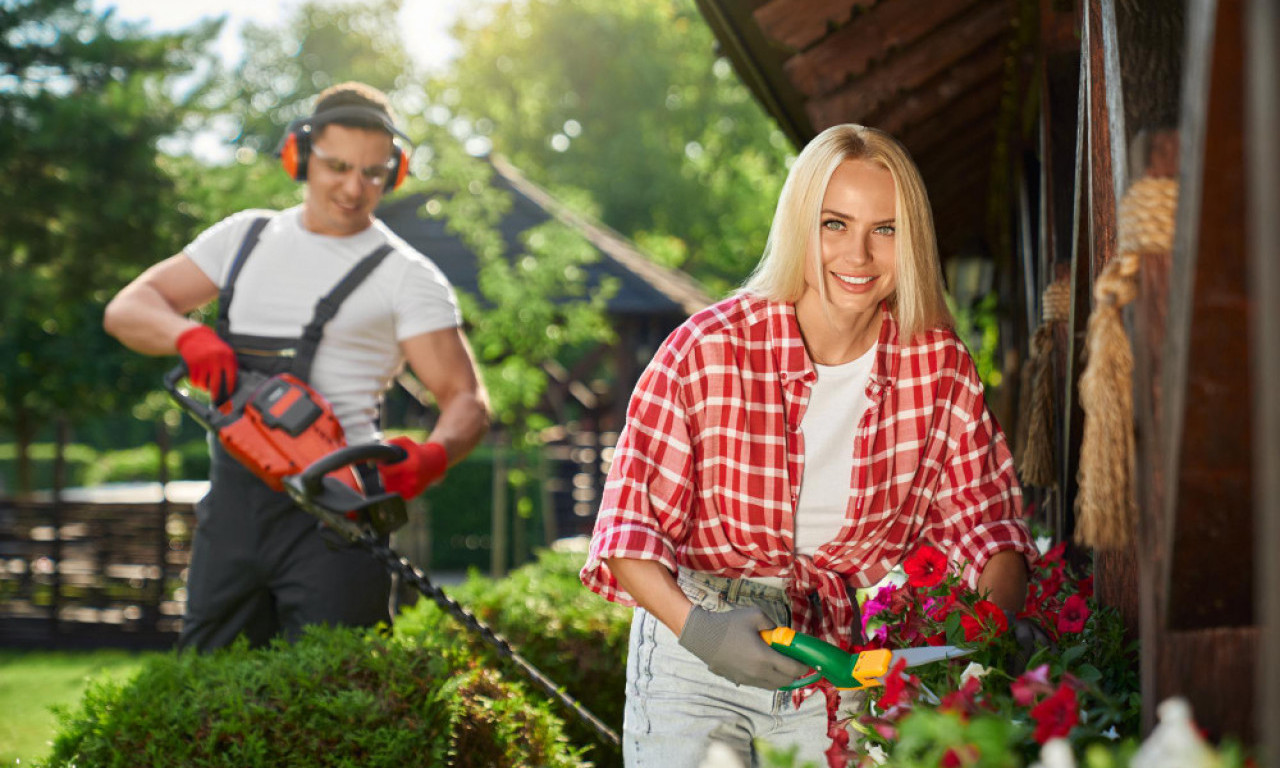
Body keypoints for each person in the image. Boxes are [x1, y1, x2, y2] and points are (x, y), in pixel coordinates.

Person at [580, 124, 1038, 766]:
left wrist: (995, 628)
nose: (858, 255)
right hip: (695, 645)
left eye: (885, 229)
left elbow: (987, 523)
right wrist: (703, 632)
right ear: (800, 225)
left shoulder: (937, 366)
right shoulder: (709, 350)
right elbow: (628, 530)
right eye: (834, 224)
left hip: (830, 657)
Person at [104, 82, 491, 652]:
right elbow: (127, 309)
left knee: (344, 697)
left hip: (337, 519)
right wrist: (188, 337)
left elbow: (467, 399)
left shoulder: (405, 275)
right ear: (300, 155)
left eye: (373, 172)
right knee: (208, 691)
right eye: (337, 166)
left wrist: (433, 457)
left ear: (395, 173)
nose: (354, 187)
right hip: (233, 513)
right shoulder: (244, 238)